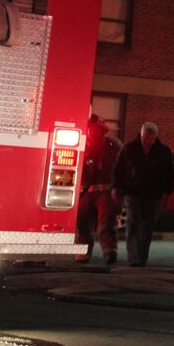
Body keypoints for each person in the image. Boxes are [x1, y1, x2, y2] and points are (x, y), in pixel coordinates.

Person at [111, 121, 174, 267]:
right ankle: (134, 257)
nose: (148, 143)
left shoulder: (163, 152)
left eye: (151, 140)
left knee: (146, 227)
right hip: (133, 193)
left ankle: (141, 257)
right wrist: (116, 188)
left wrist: (167, 193)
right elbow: (118, 169)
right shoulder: (129, 149)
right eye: (146, 139)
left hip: (153, 195)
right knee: (133, 222)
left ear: (156, 137)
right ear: (141, 135)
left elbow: (170, 174)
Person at [75, 113, 121, 264]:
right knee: (82, 223)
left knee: (106, 223)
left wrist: (118, 188)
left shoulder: (113, 146)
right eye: (91, 130)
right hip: (85, 191)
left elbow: (122, 167)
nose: (93, 133)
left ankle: (109, 252)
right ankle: (82, 252)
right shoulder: (81, 145)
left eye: (97, 130)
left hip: (106, 191)